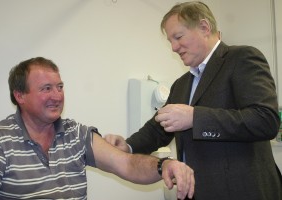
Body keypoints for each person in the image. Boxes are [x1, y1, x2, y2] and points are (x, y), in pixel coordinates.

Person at [105, 1, 282, 200]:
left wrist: (195, 117)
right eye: (170, 40)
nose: (173, 47)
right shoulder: (180, 85)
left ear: (204, 27)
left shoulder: (241, 58)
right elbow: (158, 128)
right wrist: (127, 147)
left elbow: (266, 120)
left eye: (178, 37)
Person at [0, 57, 195, 200]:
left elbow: (127, 164)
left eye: (60, 87)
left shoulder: (76, 134)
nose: (57, 96)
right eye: (46, 89)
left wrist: (164, 166)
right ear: (20, 96)